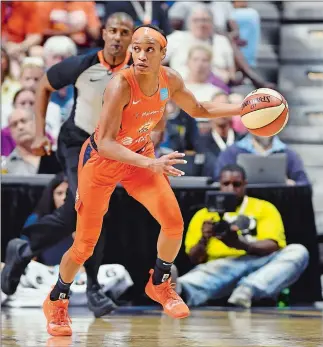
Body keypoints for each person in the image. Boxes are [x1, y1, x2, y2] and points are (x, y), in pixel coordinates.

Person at [41, 24, 244, 337]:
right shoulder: (120, 85)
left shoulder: (170, 78)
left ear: (163, 54)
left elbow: (200, 108)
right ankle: (57, 299)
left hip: (140, 157)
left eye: (150, 49)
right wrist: (150, 162)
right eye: (136, 48)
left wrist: (242, 109)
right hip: (102, 161)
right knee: (84, 246)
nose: (141, 54)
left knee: (174, 223)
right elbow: (106, 142)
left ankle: (159, 283)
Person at [1, 13, 134, 318]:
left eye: (123, 32)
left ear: (131, 39)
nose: (116, 37)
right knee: (89, 206)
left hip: (109, 148)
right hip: (76, 143)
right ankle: (93, 288)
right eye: (112, 30)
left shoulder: (136, 72)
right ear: (103, 33)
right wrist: (37, 132)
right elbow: (43, 87)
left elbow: (159, 97)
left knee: (85, 211)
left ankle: (23, 249)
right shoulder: (83, 64)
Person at [177, 164, 309, 307]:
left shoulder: (264, 207)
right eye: (226, 184)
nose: (231, 189)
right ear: (219, 184)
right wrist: (204, 239)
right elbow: (194, 258)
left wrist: (240, 244)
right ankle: (179, 290)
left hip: (260, 264)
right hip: (220, 268)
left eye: (237, 184)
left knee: (298, 252)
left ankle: (247, 290)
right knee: (202, 277)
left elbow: (274, 245)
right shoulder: (203, 214)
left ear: (245, 184)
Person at [214, 133, 310, 185]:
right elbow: (217, 182)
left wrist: (291, 184)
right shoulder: (231, 153)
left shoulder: (289, 154)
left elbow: (304, 184)